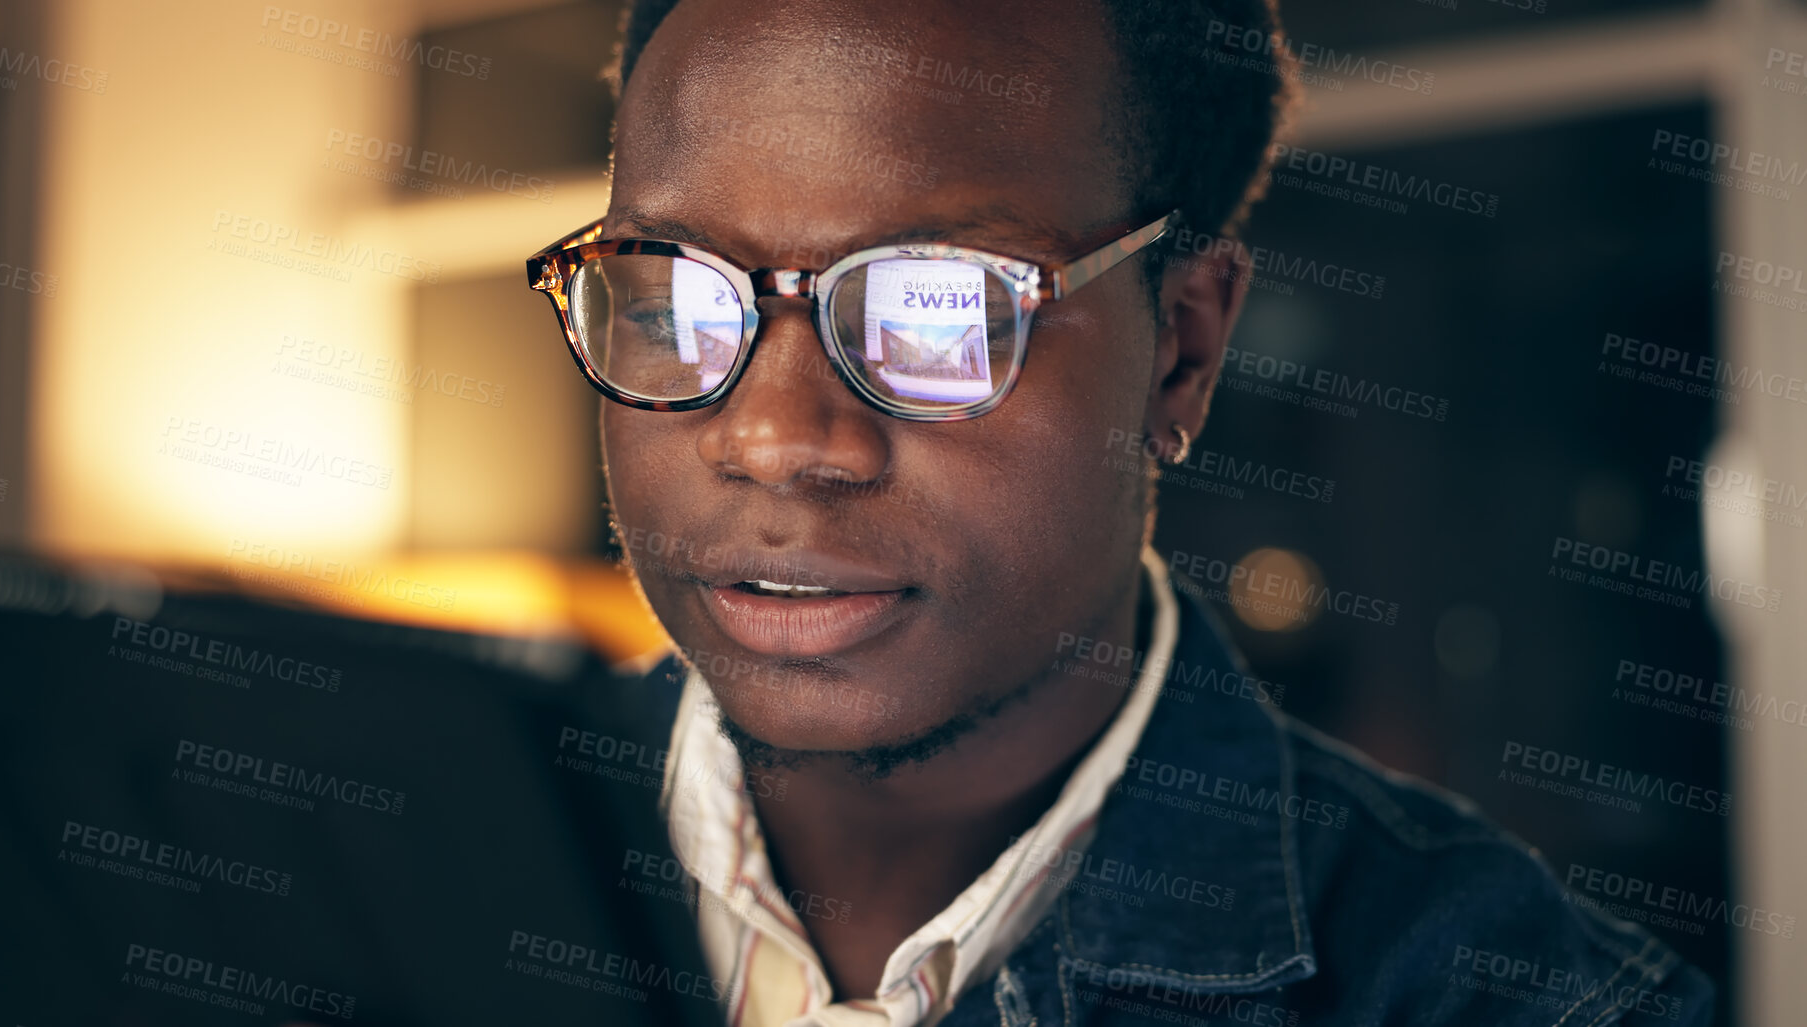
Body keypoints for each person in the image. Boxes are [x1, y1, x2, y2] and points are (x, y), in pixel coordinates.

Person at [519, 0, 1719, 1024]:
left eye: (938, 311)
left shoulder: (1524, 998)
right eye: (676, 297)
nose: (773, 436)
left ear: (1182, 350)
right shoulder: (397, 848)